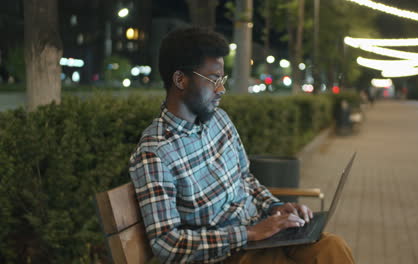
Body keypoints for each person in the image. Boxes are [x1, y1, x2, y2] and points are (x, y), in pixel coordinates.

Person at [129, 27, 355, 264]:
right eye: (214, 79)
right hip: (228, 255)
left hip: (261, 237)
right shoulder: (154, 153)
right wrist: (248, 234)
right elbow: (166, 242)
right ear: (180, 80)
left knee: (332, 247)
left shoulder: (219, 120)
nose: (221, 89)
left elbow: (244, 179)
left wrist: (275, 208)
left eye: (222, 79)